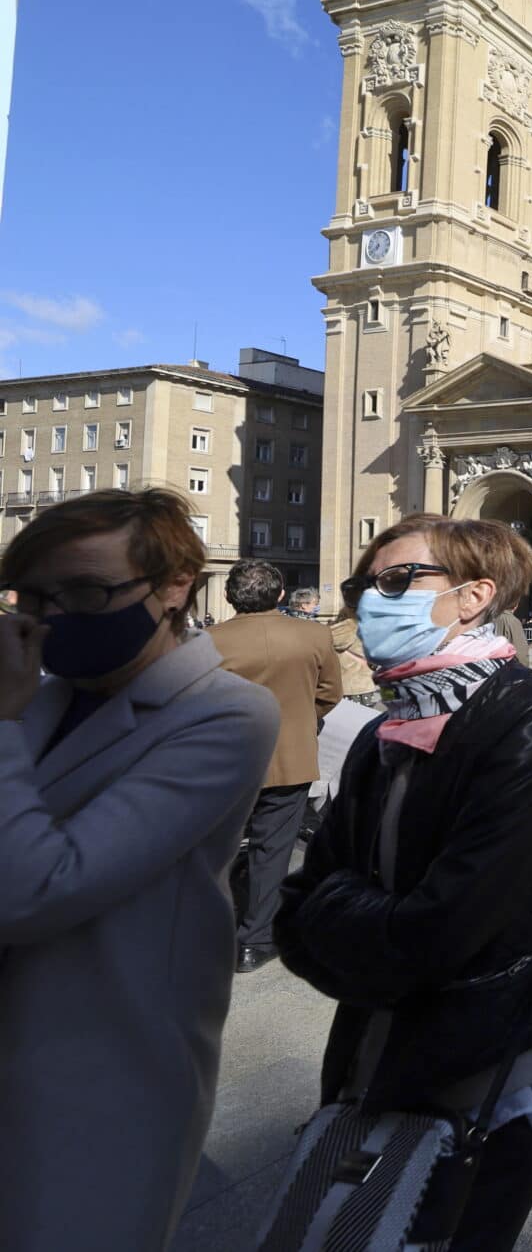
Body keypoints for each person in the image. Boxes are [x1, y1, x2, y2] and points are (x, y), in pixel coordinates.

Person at [277, 514, 532, 1251]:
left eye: (396, 582)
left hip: (494, 1041)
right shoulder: (384, 729)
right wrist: (372, 926)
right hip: (382, 1029)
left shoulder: (525, 717)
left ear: (473, 596)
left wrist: (352, 923)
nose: (369, 602)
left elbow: (449, 925)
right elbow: (292, 911)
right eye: (363, 586)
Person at [0, 488, 278, 1249]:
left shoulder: (226, 713)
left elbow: (35, 887)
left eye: (86, 592)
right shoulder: (43, 697)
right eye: (34, 594)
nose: (52, 616)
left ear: (174, 586)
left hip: (102, 1061)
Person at [209, 559, 344, 974]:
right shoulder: (313, 635)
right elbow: (330, 693)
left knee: (216, 851)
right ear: (281, 594)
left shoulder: (206, 641)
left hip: (227, 760)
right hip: (290, 756)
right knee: (274, 851)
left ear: (230, 596)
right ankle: (255, 940)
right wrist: (302, 721)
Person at [493, 604, 532, 669]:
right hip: (509, 668)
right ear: (515, 606)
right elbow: (520, 650)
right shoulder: (512, 621)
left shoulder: (493, 618)